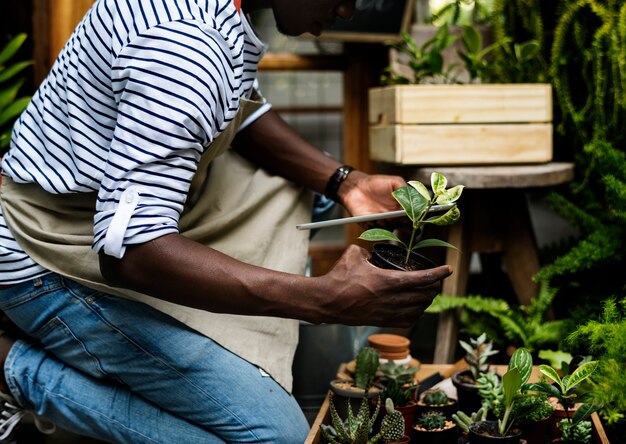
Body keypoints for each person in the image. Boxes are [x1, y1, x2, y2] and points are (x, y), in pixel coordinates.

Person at [0, 0, 452, 442]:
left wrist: (344, 184)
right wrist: (321, 301)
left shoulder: (220, 14)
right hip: (44, 252)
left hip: (118, 210)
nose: (348, 11)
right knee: (273, 435)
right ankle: (15, 372)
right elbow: (130, 253)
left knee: (300, 195)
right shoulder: (185, 47)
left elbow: (238, 107)